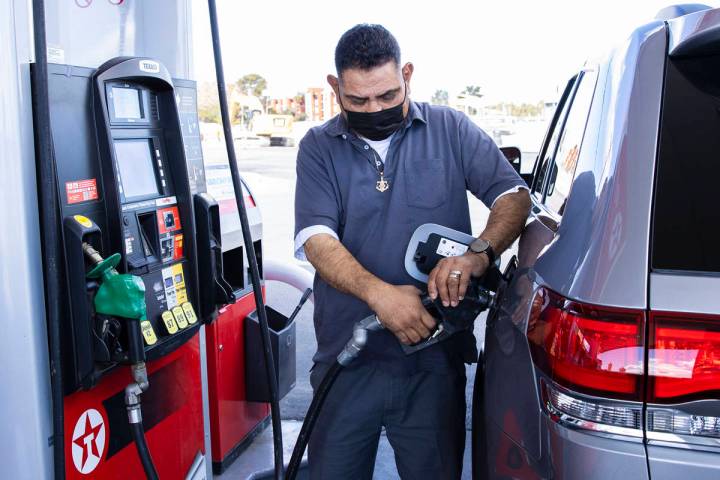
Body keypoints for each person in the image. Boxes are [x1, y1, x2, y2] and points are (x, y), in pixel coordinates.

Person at [294, 23, 531, 479]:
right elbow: (316, 239)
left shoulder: (450, 129)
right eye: (358, 100)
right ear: (334, 87)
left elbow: (512, 196)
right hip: (347, 361)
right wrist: (381, 297)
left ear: (407, 75)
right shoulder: (319, 147)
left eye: (386, 96)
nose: (374, 109)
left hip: (432, 360)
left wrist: (478, 254)